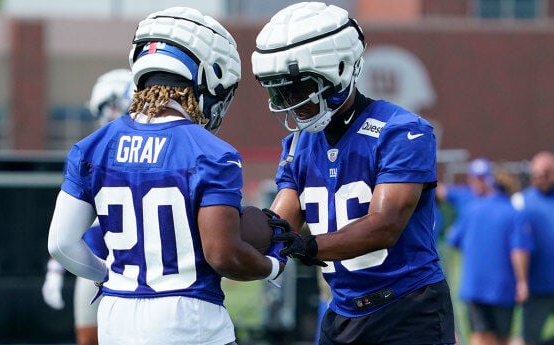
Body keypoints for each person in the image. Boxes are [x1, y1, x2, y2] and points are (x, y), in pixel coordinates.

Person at [47, 7, 285, 345]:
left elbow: (61, 243)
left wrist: (110, 276)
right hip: (189, 320)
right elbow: (223, 254)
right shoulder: (211, 153)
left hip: (116, 319)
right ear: (206, 73)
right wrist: (272, 266)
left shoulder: (92, 147)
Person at [251, 2, 455, 344]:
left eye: (299, 88)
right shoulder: (298, 144)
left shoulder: (401, 131)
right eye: (279, 90)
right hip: (342, 311)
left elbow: (384, 226)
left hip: (407, 308)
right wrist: (227, 227)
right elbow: (278, 224)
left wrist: (306, 247)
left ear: (339, 72)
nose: (289, 101)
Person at [41, 68, 132, 345]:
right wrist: (54, 270)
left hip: (142, 266)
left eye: (109, 107)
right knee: (89, 338)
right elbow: (70, 227)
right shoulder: (93, 153)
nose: (107, 116)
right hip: (98, 262)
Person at [447, 168, 530, 345]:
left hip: (474, 285)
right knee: (503, 338)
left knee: (479, 335)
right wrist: (522, 282)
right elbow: (519, 251)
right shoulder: (514, 213)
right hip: (503, 287)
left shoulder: (471, 208)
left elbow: (454, 239)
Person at [512, 151, 554, 345]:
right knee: (530, 338)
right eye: (536, 173)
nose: (541, 178)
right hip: (537, 286)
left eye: (547, 173)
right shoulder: (521, 201)